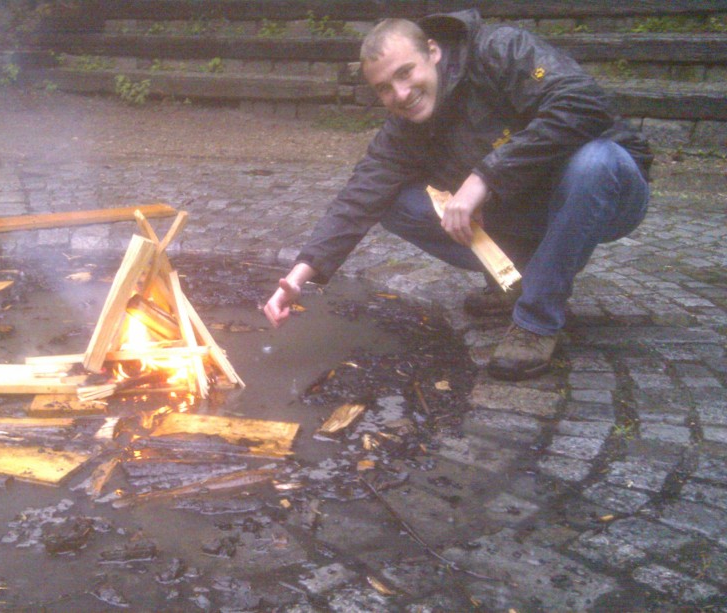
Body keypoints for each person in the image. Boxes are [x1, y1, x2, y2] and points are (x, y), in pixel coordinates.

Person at [263, 9, 651, 381]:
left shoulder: (501, 48)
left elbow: (585, 103)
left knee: (596, 161)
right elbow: (358, 197)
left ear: (432, 51)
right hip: (521, 206)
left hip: (603, 192)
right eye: (385, 88)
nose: (401, 94)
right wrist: (300, 276)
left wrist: (485, 177)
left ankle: (536, 320)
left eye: (406, 72)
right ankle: (516, 278)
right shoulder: (405, 125)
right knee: (393, 202)